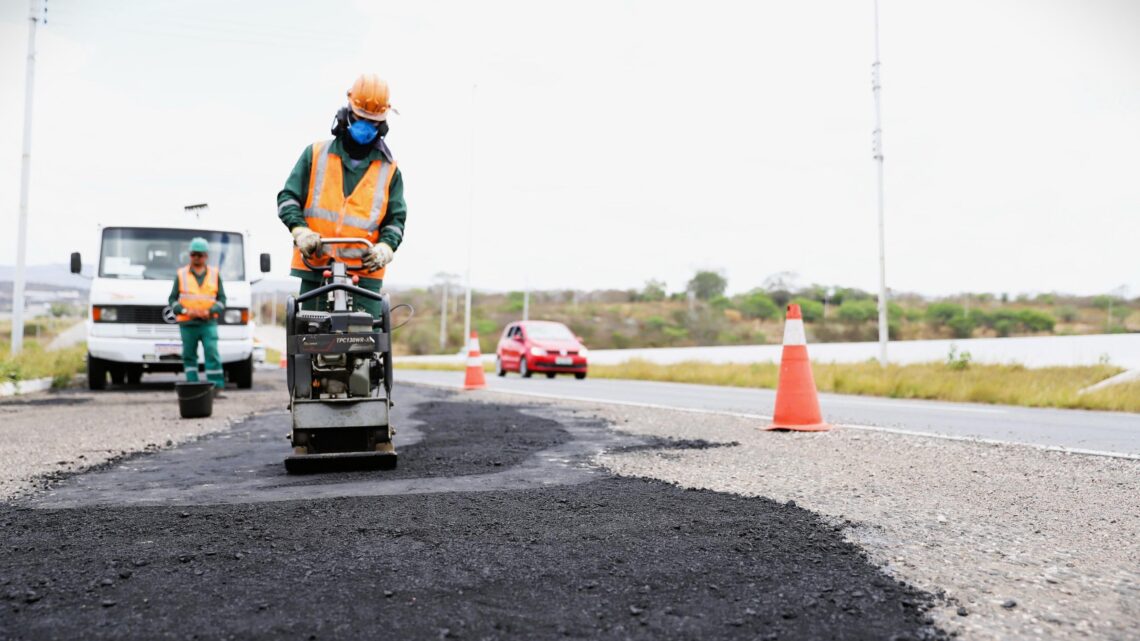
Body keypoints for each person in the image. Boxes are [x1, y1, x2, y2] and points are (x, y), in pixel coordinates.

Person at [276, 73, 407, 318]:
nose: (365, 126)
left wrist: (386, 247)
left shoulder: (390, 171)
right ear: (346, 114)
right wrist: (300, 231)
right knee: (310, 333)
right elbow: (288, 198)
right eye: (360, 118)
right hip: (316, 269)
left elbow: (395, 221)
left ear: (382, 125)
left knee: (366, 337)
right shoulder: (316, 155)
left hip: (364, 277)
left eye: (372, 122)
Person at [168, 237, 226, 392]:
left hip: (208, 323)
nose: (196, 258)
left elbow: (222, 300)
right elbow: (172, 299)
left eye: (200, 255)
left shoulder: (214, 274)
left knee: (211, 352)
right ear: (189, 255)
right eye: (193, 254)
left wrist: (210, 311)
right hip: (188, 324)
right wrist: (186, 311)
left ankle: (216, 386)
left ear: (206, 256)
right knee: (189, 355)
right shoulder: (181, 274)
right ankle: (193, 385)